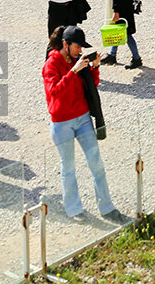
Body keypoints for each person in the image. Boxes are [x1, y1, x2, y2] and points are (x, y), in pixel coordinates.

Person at [42, 26, 128, 222]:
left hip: (83, 118)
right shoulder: (51, 65)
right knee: (68, 167)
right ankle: (74, 210)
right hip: (61, 123)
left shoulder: (77, 61)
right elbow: (55, 92)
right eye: (77, 47)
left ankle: (107, 208)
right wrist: (73, 71)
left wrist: (94, 67)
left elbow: (92, 85)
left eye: (81, 47)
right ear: (65, 44)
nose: (80, 51)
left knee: (96, 163)